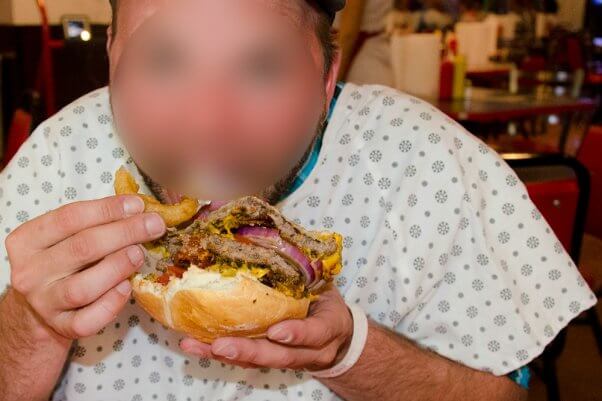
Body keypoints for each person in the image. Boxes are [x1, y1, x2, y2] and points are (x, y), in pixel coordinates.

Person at [0, 1, 596, 400]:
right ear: (111, 55)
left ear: (327, 76)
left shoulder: (422, 159)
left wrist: (350, 351)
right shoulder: (59, 160)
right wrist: (33, 323)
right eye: (164, 60)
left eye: (262, 68)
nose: (209, 125)